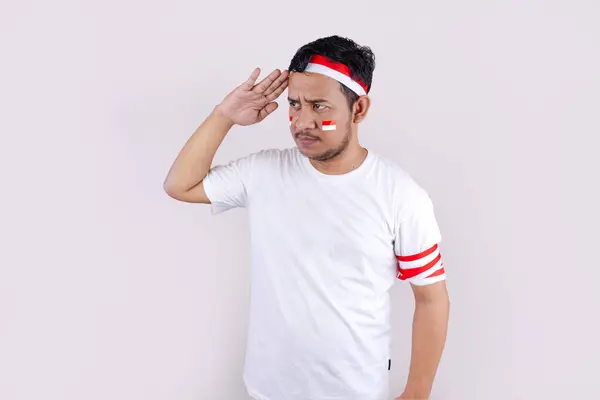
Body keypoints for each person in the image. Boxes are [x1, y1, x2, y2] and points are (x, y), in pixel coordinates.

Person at [163, 35, 450, 400]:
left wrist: (417, 393)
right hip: (267, 390)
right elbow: (180, 186)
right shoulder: (264, 172)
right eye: (294, 104)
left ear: (358, 109)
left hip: (355, 392)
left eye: (319, 106)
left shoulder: (401, 196)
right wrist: (223, 117)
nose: (302, 122)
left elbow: (431, 299)